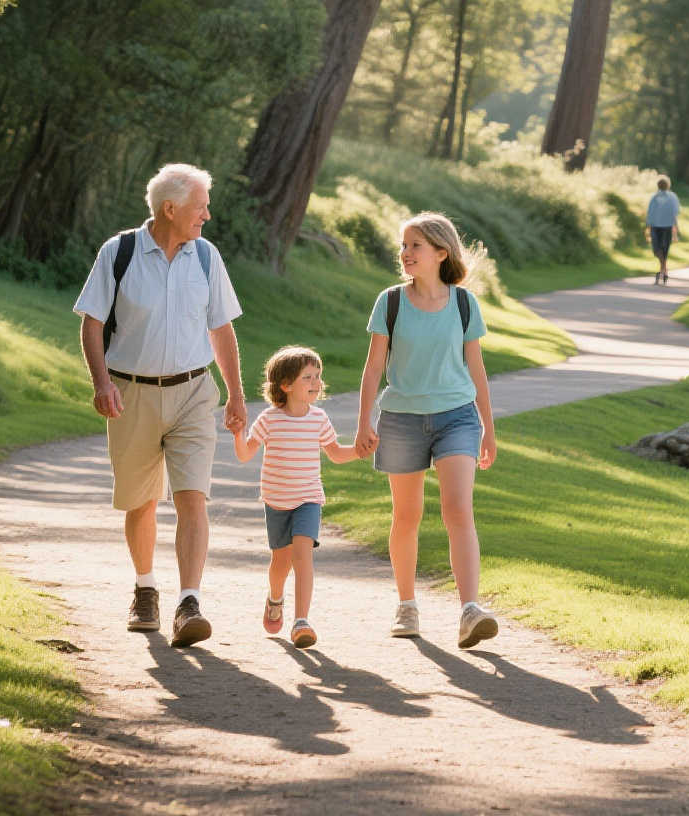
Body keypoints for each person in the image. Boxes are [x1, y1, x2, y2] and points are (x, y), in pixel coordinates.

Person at [74, 163, 249, 648]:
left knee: (193, 496)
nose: (207, 216)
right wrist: (102, 383)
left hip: (194, 391)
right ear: (169, 209)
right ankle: (146, 588)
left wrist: (235, 394)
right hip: (130, 393)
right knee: (142, 500)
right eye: (200, 207)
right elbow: (91, 324)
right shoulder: (120, 252)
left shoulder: (207, 257)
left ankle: (189, 600)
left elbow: (221, 328)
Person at [351, 213, 501, 648]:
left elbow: (476, 368)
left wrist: (488, 429)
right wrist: (364, 420)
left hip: (457, 415)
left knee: (458, 510)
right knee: (407, 515)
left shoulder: (464, 303)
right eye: (403, 245)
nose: (405, 253)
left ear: (441, 252)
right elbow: (374, 366)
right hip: (401, 419)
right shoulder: (390, 302)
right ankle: (407, 605)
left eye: (415, 245)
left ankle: (469, 610)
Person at [234, 346, 364, 649]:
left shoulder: (319, 418)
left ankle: (301, 620)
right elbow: (244, 454)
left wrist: (360, 450)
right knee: (281, 560)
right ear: (286, 384)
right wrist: (237, 433)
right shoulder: (269, 419)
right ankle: (275, 598)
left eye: (318, 376)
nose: (316, 383)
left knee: (302, 554)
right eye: (308, 377)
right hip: (277, 500)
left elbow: (335, 453)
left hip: (308, 498)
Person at [645, 176, 681, 286]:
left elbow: (650, 212)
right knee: (660, 249)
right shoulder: (660, 197)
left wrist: (648, 225)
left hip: (662, 226)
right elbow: (676, 212)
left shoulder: (661, 197)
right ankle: (664, 268)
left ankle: (663, 269)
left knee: (660, 249)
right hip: (661, 226)